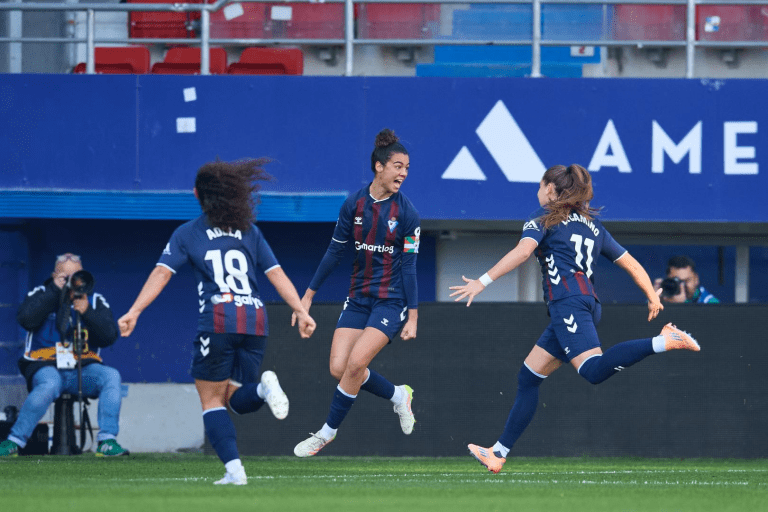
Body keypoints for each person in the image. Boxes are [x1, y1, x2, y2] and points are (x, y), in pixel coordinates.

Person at [449, 164, 701, 474]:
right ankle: (498, 453)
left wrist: (482, 282)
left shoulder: (544, 219)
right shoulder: (593, 226)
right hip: (583, 304)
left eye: (540, 186)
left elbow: (523, 252)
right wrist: (651, 294)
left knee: (593, 370)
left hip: (568, 304)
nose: (538, 192)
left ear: (550, 189)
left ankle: (663, 341)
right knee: (528, 378)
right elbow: (631, 263)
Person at [117, 159, 316, 485]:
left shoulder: (188, 232)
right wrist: (301, 311)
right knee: (237, 398)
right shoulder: (250, 231)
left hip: (220, 319)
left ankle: (235, 472)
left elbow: (161, 274)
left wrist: (134, 311)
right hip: (255, 319)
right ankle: (264, 389)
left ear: (198, 194)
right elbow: (276, 273)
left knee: (211, 400)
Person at [292, 129, 420, 458]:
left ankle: (326, 433)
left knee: (357, 363)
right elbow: (334, 252)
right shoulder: (354, 204)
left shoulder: (407, 214)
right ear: (379, 166)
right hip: (359, 297)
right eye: (398, 166)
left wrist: (413, 316)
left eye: (407, 168)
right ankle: (399, 396)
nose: (403, 173)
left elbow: (409, 267)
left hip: (391, 300)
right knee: (340, 368)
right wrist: (307, 296)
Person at [0, 253, 128, 457]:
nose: (72, 282)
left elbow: (109, 337)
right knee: (50, 383)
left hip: (82, 369)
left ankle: (107, 441)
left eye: (76, 276)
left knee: (111, 376)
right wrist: (54, 291)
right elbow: (26, 319)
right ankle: (14, 441)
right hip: (44, 365)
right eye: (65, 277)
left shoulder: (94, 300)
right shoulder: (41, 292)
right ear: (54, 276)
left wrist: (87, 312)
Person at [654, 255, 720, 304]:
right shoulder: (663, 297)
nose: (681, 286)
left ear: (696, 279)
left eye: (686, 281)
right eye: (675, 281)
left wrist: (680, 305)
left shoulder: (710, 302)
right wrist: (653, 299)